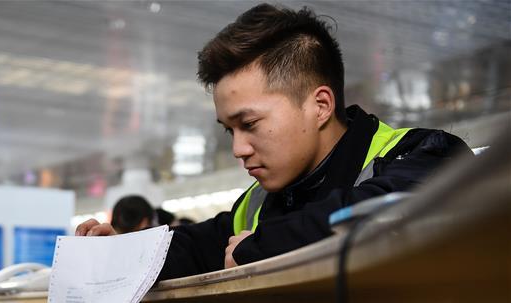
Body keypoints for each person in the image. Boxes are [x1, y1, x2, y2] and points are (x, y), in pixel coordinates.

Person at [78, 3, 471, 278]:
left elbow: (381, 213)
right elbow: (196, 247)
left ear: (320, 105)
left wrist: (261, 248)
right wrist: (123, 254)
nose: (238, 149)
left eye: (249, 123)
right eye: (230, 130)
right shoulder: (256, 203)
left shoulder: (425, 154)